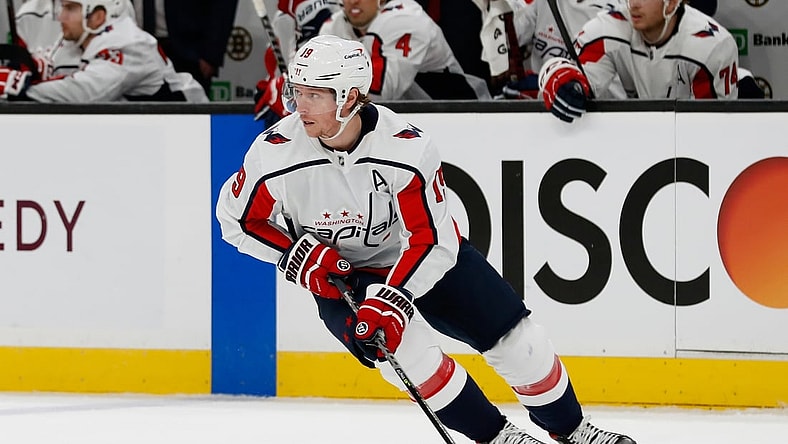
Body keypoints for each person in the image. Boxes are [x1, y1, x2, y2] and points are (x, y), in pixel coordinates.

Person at [217, 34, 636, 444]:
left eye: (315, 94)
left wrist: (392, 296)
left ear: (348, 98)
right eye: (297, 91)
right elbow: (237, 219)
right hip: (342, 277)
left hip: (423, 259)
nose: (299, 106)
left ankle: (574, 431)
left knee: (519, 341)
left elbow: (427, 240)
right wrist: (295, 254)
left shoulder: (406, 149)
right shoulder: (275, 152)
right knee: (409, 357)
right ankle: (499, 438)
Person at [254, 0, 491, 125]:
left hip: (465, 117)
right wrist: (289, 90)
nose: (354, 1)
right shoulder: (334, 25)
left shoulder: (407, 18)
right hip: (399, 124)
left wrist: (312, 91)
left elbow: (382, 90)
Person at [538, 0, 739, 123]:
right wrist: (560, 77)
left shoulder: (712, 45)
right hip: (631, 142)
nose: (633, 4)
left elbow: (714, 128)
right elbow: (576, 78)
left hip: (688, 148)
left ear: (670, 3)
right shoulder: (606, 29)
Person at [0, 0, 207, 102]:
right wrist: (35, 68)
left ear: (97, 16)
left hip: (187, 133)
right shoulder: (81, 39)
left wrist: (20, 87)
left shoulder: (129, 43)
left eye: (70, 9)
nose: (61, 17)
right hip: (142, 135)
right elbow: (52, 69)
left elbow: (85, 91)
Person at [473, 0, 626, 99]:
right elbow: (501, 47)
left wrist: (546, 88)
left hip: (604, 115)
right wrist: (494, 6)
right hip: (544, 113)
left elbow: (605, 86)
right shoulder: (541, 3)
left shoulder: (617, 10)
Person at [132, 0, 240, 94]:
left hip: (188, 52)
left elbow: (223, 5)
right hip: (131, 51)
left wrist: (211, 55)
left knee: (190, 114)